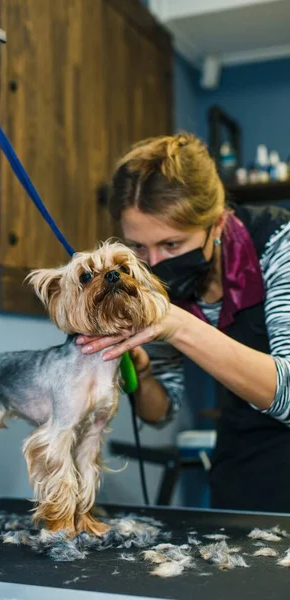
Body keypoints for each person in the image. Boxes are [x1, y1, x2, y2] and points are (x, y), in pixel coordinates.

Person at [77, 133, 290, 513]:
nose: (155, 264)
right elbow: (161, 411)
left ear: (218, 222)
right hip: (243, 461)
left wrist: (178, 325)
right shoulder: (162, 281)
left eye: (172, 245)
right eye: (139, 247)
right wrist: (141, 374)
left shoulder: (278, 245)